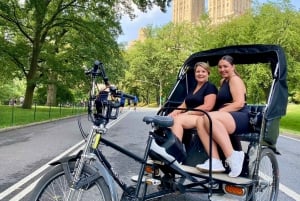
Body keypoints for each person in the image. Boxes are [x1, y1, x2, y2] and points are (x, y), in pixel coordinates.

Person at [195, 55, 249, 178]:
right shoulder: (223, 81)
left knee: (209, 117)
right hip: (228, 115)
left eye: (226, 66)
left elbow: (239, 103)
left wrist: (220, 111)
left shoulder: (235, 79)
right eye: (220, 67)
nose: (222, 69)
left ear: (233, 67)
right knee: (200, 120)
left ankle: (233, 156)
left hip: (241, 116)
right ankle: (215, 161)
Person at [168, 62, 218, 142]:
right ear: (195, 73)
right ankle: (170, 146)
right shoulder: (193, 87)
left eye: (203, 71)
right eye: (198, 71)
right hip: (189, 116)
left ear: (208, 73)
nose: (200, 74)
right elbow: (184, 105)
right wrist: (173, 113)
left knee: (177, 120)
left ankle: (175, 150)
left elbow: (208, 107)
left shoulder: (210, 87)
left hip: (202, 117)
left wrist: (188, 113)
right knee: (168, 119)